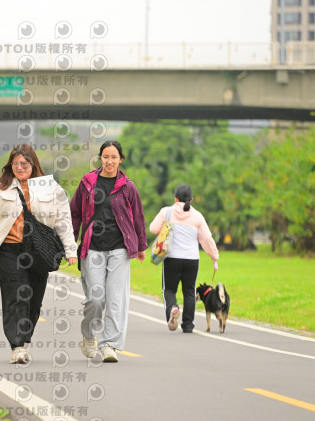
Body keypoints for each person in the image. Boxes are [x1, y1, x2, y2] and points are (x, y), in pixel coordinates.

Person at [0, 144, 78, 364]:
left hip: (39, 250)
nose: (20, 167)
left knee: (34, 300)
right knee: (15, 296)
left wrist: (71, 249)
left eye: (24, 163)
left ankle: (25, 340)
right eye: (15, 163)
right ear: (10, 165)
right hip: (9, 249)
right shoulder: (1, 187)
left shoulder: (50, 188)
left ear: (33, 164)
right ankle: (17, 346)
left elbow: (63, 220)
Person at [70, 140, 148, 363]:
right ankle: (88, 335)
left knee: (115, 299)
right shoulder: (87, 182)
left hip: (119, 248)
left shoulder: (128, 187)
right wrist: (70, 243)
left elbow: (138, 216)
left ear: (120, 159)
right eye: (106, 157)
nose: (109, 161)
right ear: (100, 158)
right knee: (95, 298)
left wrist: (141, 245)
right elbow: (74, 213)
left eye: (114, 157)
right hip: (92, 247)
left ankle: (109, 345)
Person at [149, 184, 219, 333]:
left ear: (175, 198)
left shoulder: (166, 212)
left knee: (169, 290)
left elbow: (153, 229)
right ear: (191, 200)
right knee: (189, 291)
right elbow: (207, 239)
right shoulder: (197, 216)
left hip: (172, 258)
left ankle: (173, 309)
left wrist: (165, 228)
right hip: (192, 260)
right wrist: (214, 257)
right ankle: (188, 325)